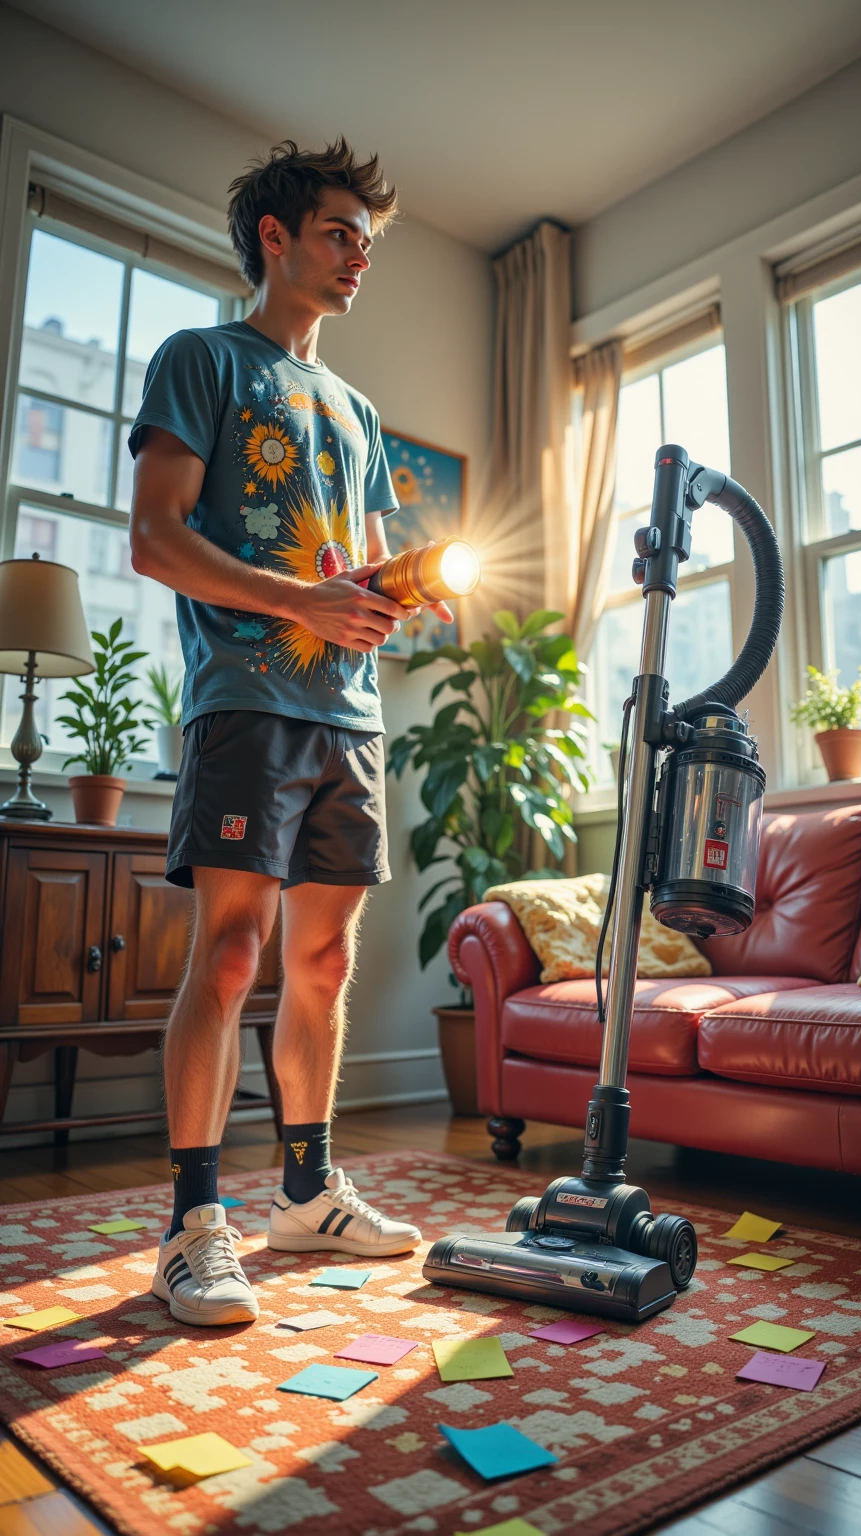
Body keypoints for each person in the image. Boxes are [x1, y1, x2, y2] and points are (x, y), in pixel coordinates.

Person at [128, 140, 452, 1327]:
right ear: (275, 236)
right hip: (244, 706)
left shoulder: (360, 412)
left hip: (345, 719)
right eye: (338, 231)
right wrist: (302, 603)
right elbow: (156, 538)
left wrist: (387, 598)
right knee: (229, 956)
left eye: (368, 239)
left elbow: (351, 574)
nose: (359, 254)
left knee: (323, 964)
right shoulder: (201, 360)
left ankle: (308, 1194)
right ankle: (194, 1223)